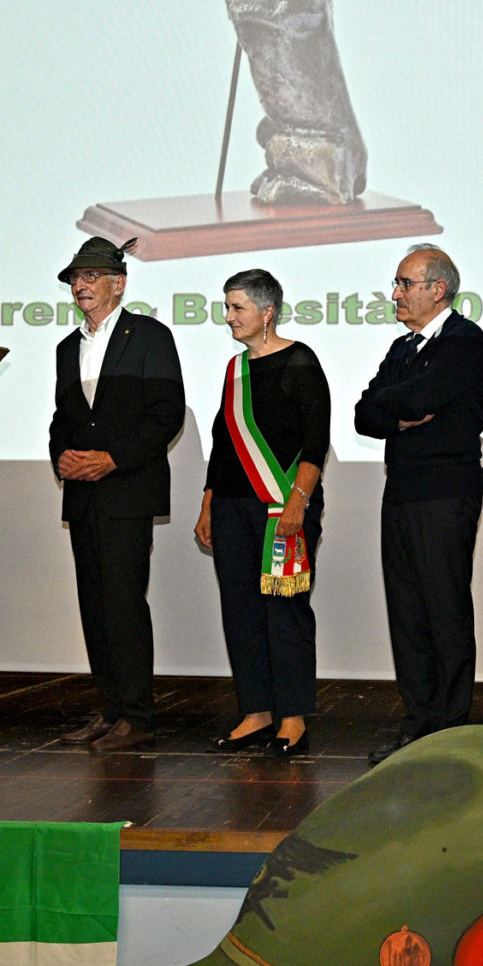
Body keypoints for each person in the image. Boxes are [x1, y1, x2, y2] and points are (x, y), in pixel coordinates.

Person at [353, 245, 483, 765]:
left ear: (438, 289)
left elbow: (414, 400)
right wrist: (398, 410)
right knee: (407, 613)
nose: (395, 294)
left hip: (445, 493)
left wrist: (396, 405)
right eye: (396, 284)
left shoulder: (464, 340)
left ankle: (450, 735)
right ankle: (418, 727)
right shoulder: (401, 348)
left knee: (444, 610)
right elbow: (364, 414)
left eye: (405, 284)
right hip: (402, 492)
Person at [49, 236, 185, 752]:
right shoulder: (67, 347)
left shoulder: (149, 336)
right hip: (83, 495)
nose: (80, 286)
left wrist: (112, 459)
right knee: (94, 606)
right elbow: (62, 418)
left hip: (127, 492)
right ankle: (110, 710)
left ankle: (138, 716)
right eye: (75, 278)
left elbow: (166, 413)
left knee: (123, 604)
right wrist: (61, 457)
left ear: (118, 284)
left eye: (90, 277)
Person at [193, 269, 328, 758]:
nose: (228, 317)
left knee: (284, 611)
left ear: (267, 312)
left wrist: (297, 503)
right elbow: (222, 443)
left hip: (282, 505)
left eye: (237, 308)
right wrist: (208, 504)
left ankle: (292, 716)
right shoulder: (235, 369)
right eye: (227, 307)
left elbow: (316, 439)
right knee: (241, 610)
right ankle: (256, 711)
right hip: (231, 507)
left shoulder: (300, 361)